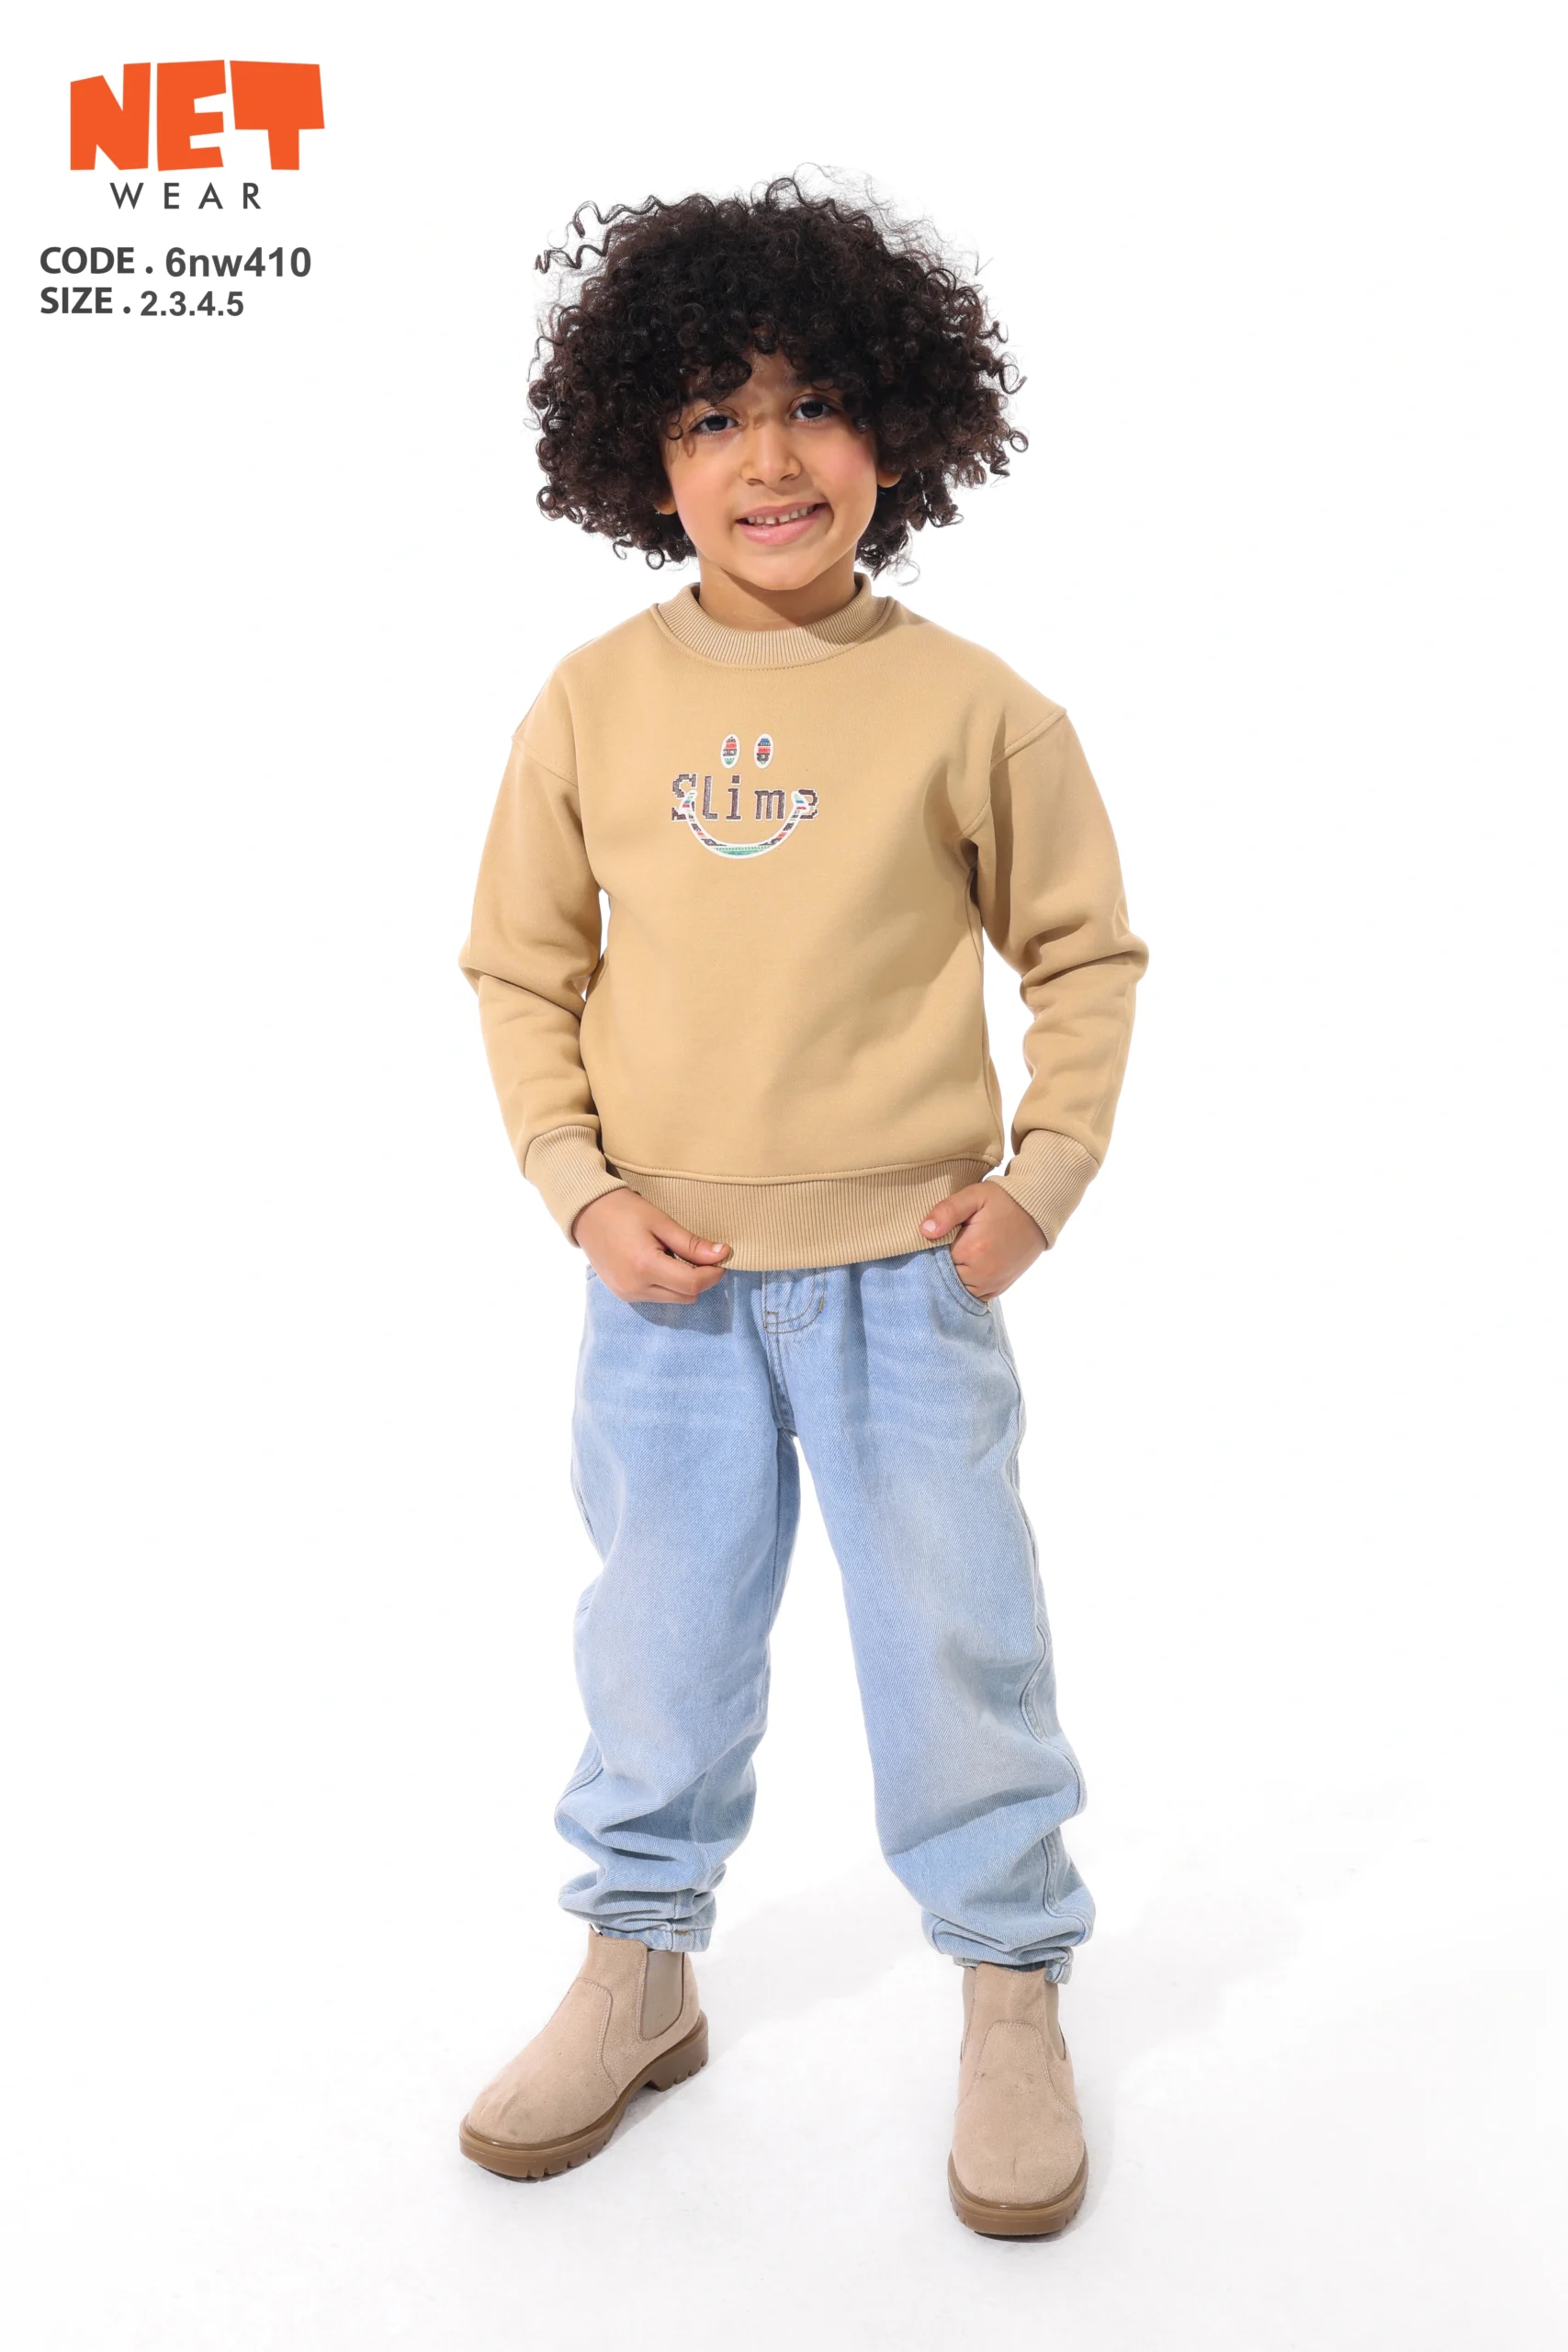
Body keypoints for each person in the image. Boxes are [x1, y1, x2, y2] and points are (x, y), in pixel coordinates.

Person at [456, 177, 1147, 2237]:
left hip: (905, 1280)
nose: (769, 458)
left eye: (814, 402)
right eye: (710, 416)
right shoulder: (591, 702)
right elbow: (521, 970)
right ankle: (636, 1960)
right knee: (656, 1636)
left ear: (898, 429)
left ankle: (1008, 1980)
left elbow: (1084, 955)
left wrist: (1039, 1185)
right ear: (640, 461)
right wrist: (578, 1190)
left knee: (955, 1631)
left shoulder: (975, 707)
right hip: (662, 1284)